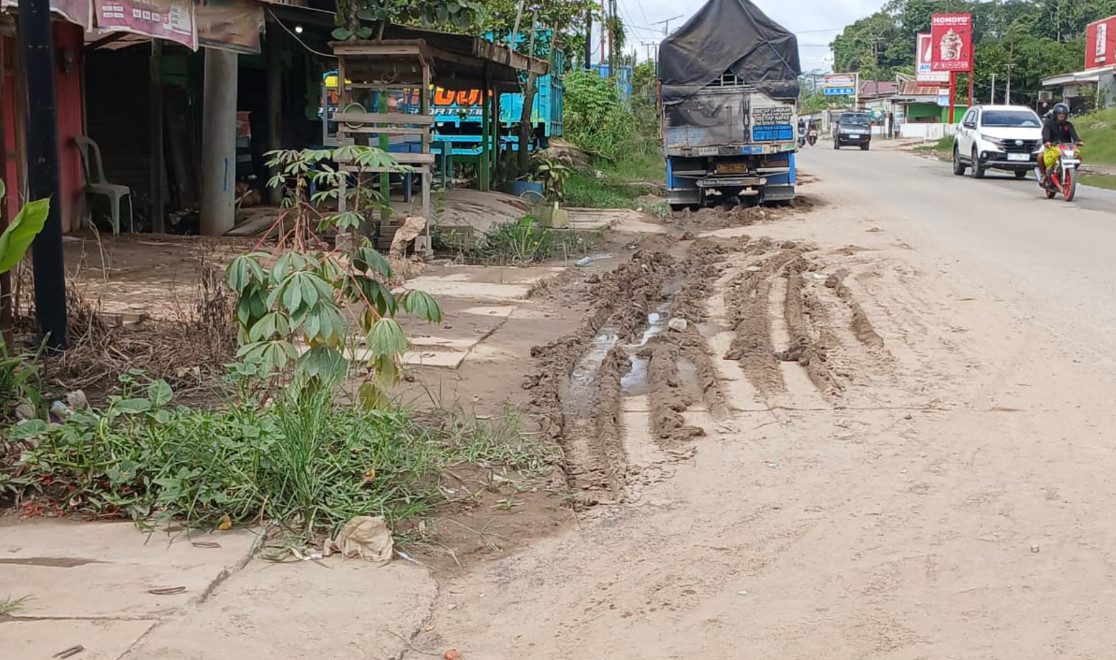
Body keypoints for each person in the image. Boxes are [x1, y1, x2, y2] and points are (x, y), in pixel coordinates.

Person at [1037, 103, 1081, 187]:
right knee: (1040, 157)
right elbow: (1045, 134)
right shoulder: (1049, 124)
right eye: (1059, 114)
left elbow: (1074, 135)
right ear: (1055, 114)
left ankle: (1070, 173)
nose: (1061, 116)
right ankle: (1044, 175)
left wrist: (1077, 141)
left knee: (1079, 157)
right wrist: (1047, 141)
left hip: (1066, 148)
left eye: (1063, 114)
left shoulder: (1069, 125)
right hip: (1051, 147)